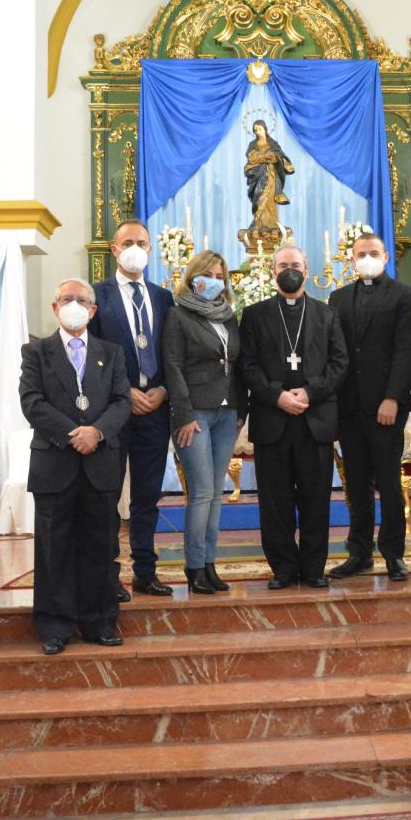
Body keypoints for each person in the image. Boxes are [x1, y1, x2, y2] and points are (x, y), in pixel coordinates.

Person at [19, 278, 131, 655]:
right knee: (54, 548)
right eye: (66, 299)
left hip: (100, 463)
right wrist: (72, 434)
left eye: (82, 300)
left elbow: (121, 402)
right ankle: (55, 625)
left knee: (99, 546)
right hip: (55, 463)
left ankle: (100, 622)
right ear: (55, 307)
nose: (74, 305)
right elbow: (32, 402)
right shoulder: (36, 352)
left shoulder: (111, 353)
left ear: (93, 310)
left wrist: (96, 433)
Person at [239, 244, 348, 589]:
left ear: (307, 268)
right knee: (275, 502)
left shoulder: (326, 314)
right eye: (283, 264)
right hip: (273, 421)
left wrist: (310, 393)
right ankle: (283, 569)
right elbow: (248, 366)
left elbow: (339, 363)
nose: (290, 269)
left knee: (316, 499)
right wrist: (278, 396)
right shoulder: (255, 315)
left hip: (315, 422)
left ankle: (314, 568)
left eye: (296, 264)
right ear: (272, 271)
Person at [326, 232, 411, 582]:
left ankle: (394, 553)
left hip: (387, 405)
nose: (367, 257)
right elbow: (334, 352)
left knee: (388, 482)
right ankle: (359, 552)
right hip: (349, 407)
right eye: (360, 253)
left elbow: (406, 350)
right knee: (356, 484)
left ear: (385, 258)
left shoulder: (403, 296)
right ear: (352, 259)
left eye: (373, 253)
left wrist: (393, 397)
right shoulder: (337, 297)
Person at [88, 219, 175, 600]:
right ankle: (107, 575)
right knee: (107, 496)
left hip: (155, 410)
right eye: (128, 242)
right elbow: (90, 358)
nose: (135, 248)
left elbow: (175, 353)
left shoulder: (163, 297)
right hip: (112, 412)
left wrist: (165, 390)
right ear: (114, 249)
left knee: (146, 496)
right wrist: (125, 391)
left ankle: (145, 570)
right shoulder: (95, 297)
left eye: (142, 242)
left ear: (151, 249)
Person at [162, 250, 247, 595]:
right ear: (193, 277)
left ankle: (210, 565)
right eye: (208, 274)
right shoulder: (178, 316)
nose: (214, 280)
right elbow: (173, 366)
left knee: (217, 494)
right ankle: (194, 566)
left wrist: (242, 410)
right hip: (194, 413)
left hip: (228, 413)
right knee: (201, 493)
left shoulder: (228, 317)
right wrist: (182, 414)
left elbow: (236, 365)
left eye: (219, 275)